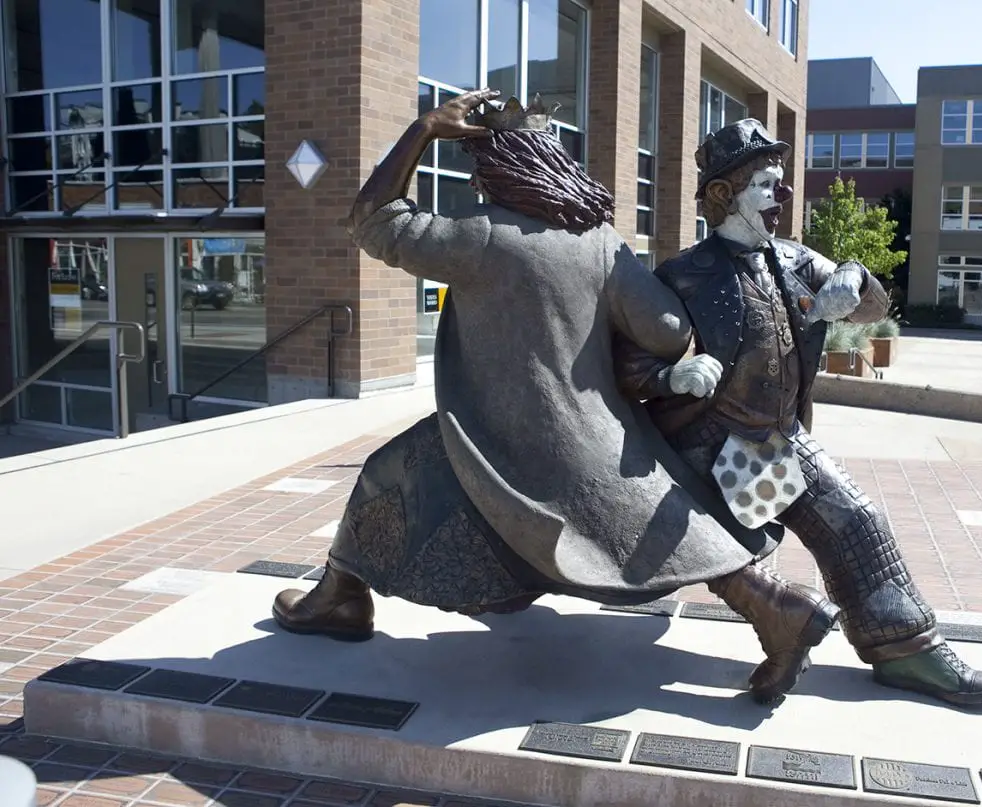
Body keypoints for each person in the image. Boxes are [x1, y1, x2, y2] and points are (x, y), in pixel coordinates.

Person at [271, 92, 841, 704]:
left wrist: (424, 128)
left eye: (479, 170)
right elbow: (669, 330)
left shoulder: (483, 239)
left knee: (389, 478)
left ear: (500, 172)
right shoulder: (599, 241)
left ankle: (339, 597)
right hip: (604, 437)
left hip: (507, 441)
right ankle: (780, 608)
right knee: (650, 523)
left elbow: (372, 220)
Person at [615, 118, 982, 707]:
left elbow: (870, 305)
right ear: (723, 195)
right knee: (795, 530)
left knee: (858, 523)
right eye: (767, 184)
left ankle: (905, 651)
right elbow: (628, 361)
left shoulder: (795, 260)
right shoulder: (683, 276)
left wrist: (855, 278)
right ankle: (804, 621)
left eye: (782, 183)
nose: (783, 195)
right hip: (716, 443)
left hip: (775, 436)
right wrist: (673, 374)